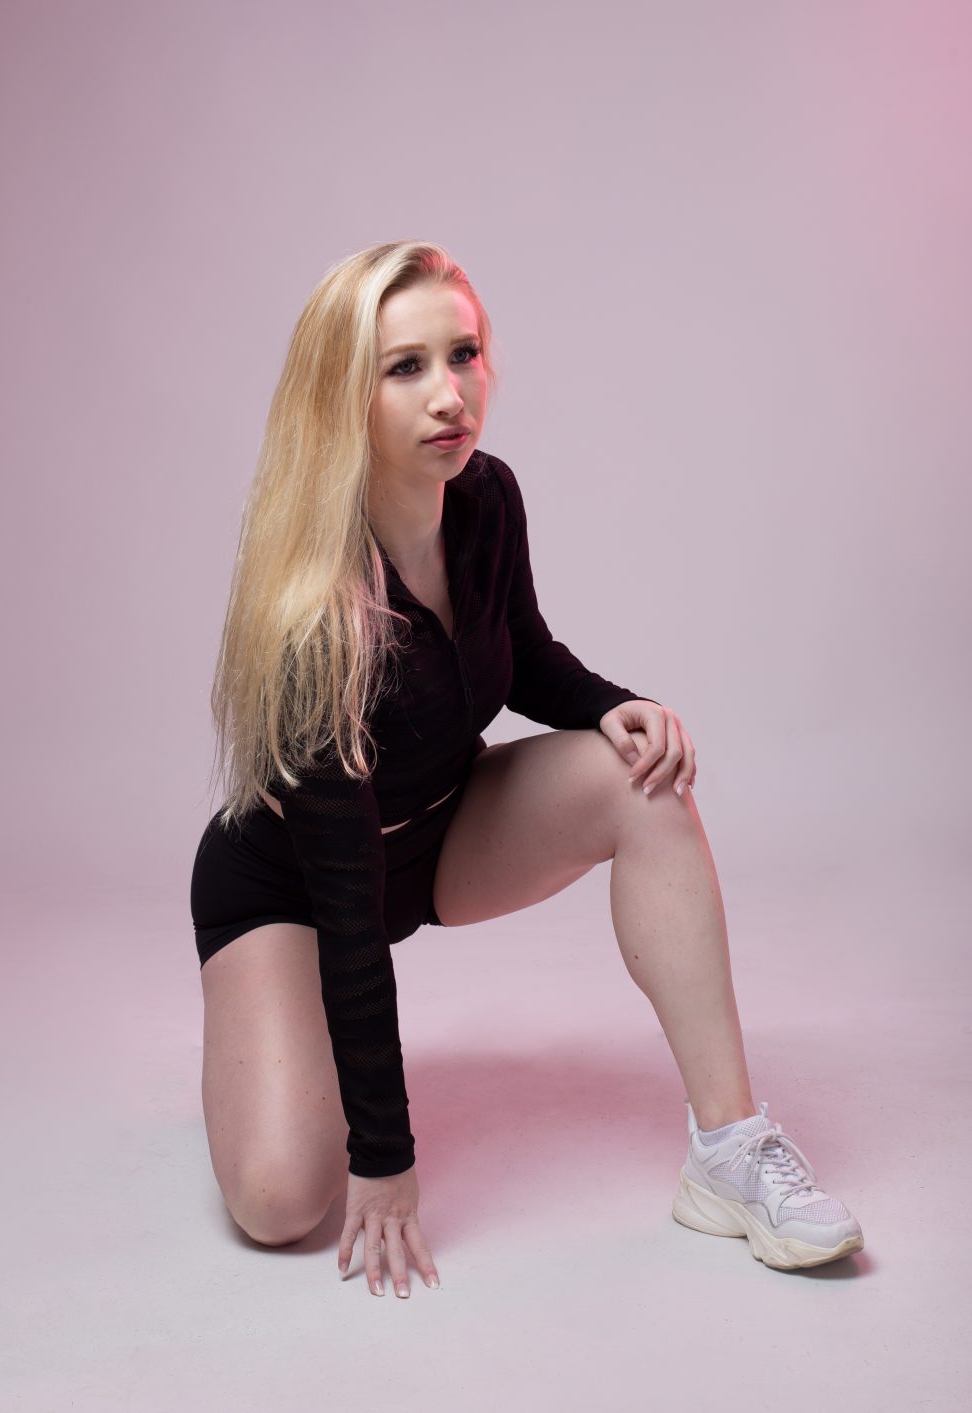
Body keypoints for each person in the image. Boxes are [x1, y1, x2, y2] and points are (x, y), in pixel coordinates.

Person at [190, 240, 864, 1299]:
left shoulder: (486, 500)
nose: (449, 394)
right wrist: (386, 1159)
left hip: (438, 832)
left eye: (463, 354)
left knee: (640, 776)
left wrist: (614, 706)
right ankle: (265, 1038)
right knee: (279, 1204)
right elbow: (351, 914)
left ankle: (730, 1151)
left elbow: (523, 655)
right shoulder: (316, 614)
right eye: (404, 367)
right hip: (297, 894)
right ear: (344, 394)